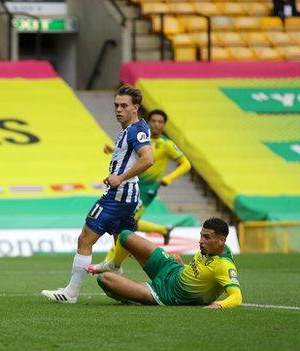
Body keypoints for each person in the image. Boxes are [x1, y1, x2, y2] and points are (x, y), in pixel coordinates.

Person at [41, 84, 153, 303]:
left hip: (118, 194)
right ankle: (158, 281)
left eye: (124, 106)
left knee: (85, 238)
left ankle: (71, 293)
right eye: (116, 105)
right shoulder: (133, 129)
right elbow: (131, 154)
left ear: (135, 107)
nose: (118, 109)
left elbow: (148, 159)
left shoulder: (136, 130)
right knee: (126, 244)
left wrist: (119, 177)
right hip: (126, 195)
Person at [91, 109, 191, 273]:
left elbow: (186, 164)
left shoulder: (166, 144)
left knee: (124, 226)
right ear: (149, 122)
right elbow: (130, 155)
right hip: (133, 185)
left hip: (148, 190)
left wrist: (169, 178)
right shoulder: (142, 138)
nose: (157, 124)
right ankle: (162, 231)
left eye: (160, 122)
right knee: (130, 223)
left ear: (164, 125)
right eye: (154, 121)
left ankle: (111, 262)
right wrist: (113, 150)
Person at [88, 217, 242, 308]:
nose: (201, 241)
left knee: (104, 279)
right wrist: (183, 266)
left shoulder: (224, 265)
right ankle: (115, 265)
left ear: (221, 240)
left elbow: (236, 297)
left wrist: (219, 305)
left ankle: (127, 296)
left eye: (207, 237)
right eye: (201, 235)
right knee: (125, 236)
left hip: (165, 294)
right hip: (172, 268)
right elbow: (200, 273)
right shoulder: (214, 248)